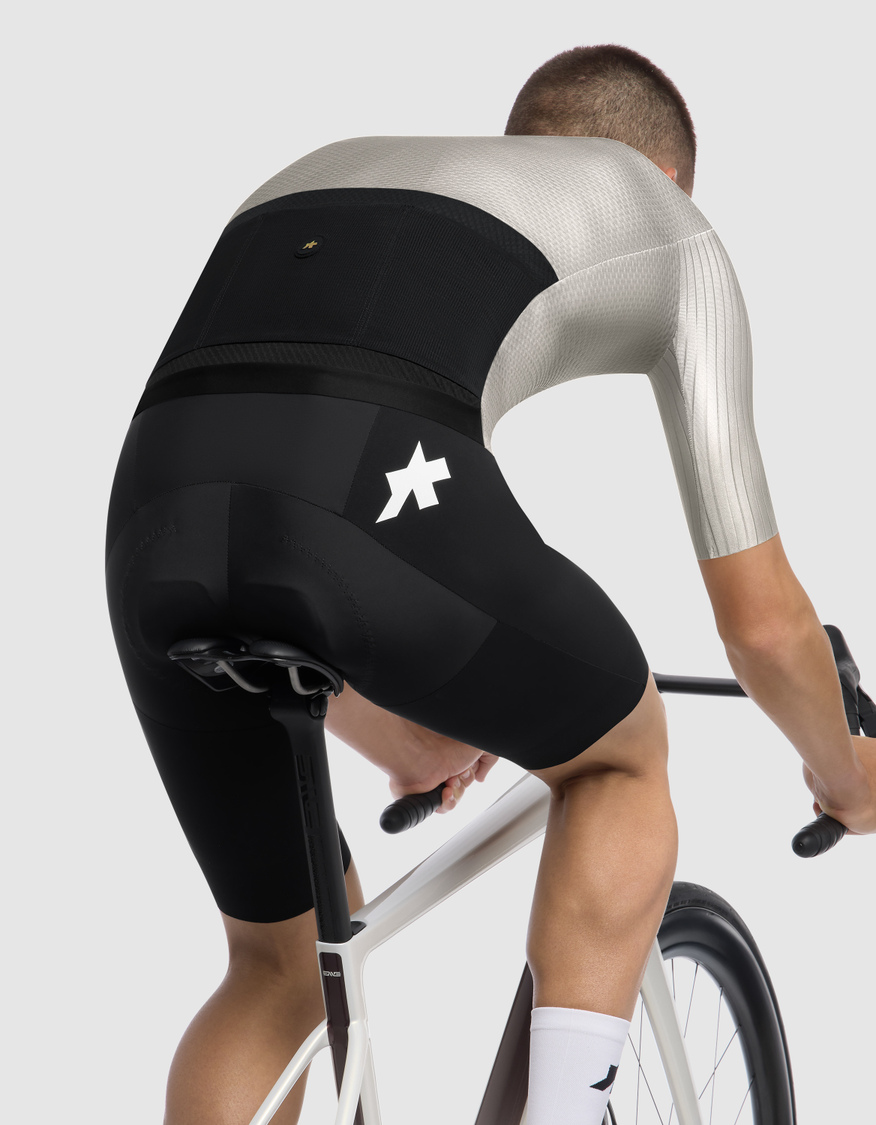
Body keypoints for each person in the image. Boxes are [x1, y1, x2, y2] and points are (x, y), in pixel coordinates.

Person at [105, 44, 875, 1125]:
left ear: (522, 145)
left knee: (279, 964)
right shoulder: (667, 222)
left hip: (153, 511)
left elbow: (284, 478)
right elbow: (761, 625)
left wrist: (396, 720)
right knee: (620, 757)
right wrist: (846, 771)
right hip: (370, 484)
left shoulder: (336, 162)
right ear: (662, 175)